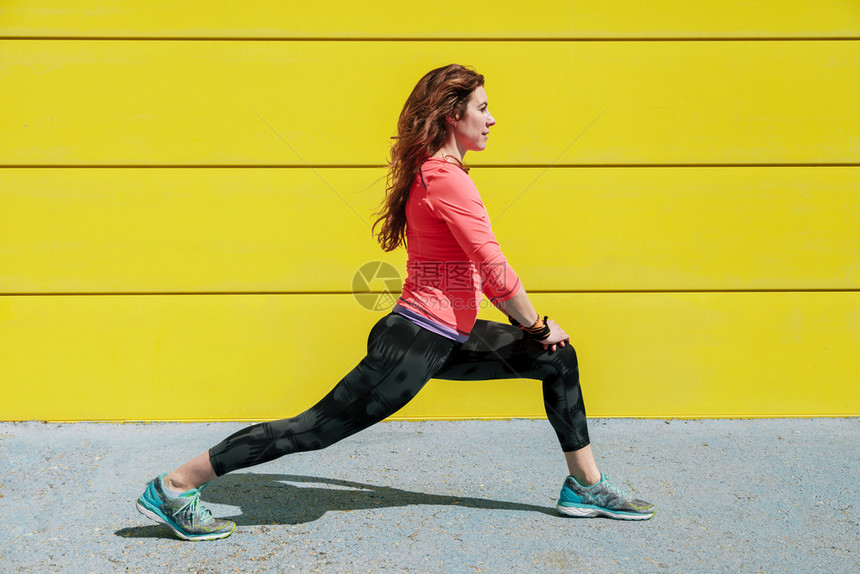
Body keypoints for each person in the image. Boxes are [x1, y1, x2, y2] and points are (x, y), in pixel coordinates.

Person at [135, 64, 655, 541]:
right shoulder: (446, 179)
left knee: (557, 360)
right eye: (482, 109)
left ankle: (585, 486)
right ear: (454, 116)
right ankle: (175, 486)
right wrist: (538, 324)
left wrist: (541, 339)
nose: (493, 119)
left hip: (448, 336)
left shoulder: (439, 173)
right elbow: (493, 268)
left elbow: (473, 270)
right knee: (313, 430)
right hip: (414, 342)